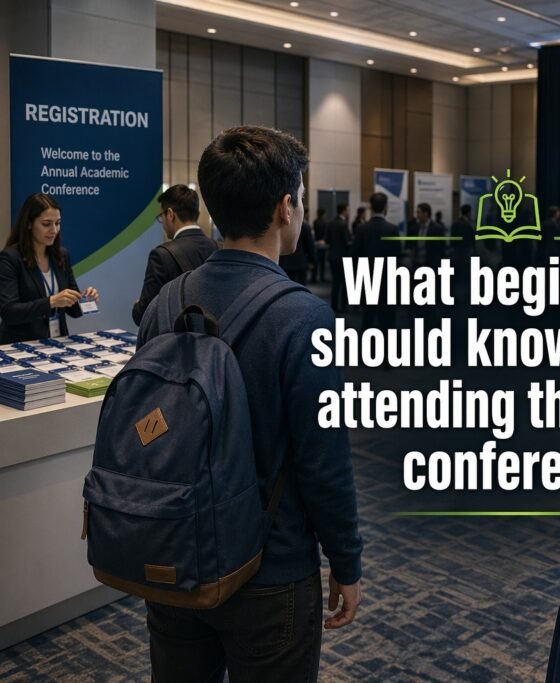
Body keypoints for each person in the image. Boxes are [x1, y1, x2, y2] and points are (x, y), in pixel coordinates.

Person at [137, 126, 362, 681]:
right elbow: (323, 461)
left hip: (174, 554)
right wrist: (346, 560)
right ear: (286, 207)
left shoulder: (165, 303)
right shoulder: (304, 318)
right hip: (270, 571)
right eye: (302, 197)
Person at [0, 193, 100, 344]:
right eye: (46, 224)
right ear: (29, 224)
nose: (54, 230)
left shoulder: (61, 255)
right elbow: (9, 312)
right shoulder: (10, 258)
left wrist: (84, 298)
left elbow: (73, 311)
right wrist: (51, 302)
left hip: (57, 343)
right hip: (21, 346)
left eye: (57, 223)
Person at [131, 184, 217, 325]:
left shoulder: (161, 255)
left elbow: (144, 315)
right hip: (214, 340)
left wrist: (137, 306)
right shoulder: (217, 247)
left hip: (177, 342)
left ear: (170, 214)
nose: (163, 223)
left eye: (162, 216)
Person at [353, 192, 401, 330]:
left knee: (368, 316)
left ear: (371, 208)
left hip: (367, 278)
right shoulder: (392, 229)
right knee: (387, 318)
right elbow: (396, 258)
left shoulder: (361, 228)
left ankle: (367, 347)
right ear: (386, 207)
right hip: (387, 280)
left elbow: (354, 256)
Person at [326, 203, 351, 313]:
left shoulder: (330, 223)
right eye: (348, 210)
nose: (349, 212)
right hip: (343, 257)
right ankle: (343, 307)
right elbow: (347, 241)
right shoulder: (344, 224)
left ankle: (334, 306)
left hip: (332, 256)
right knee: (345, 283)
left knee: (335, 283)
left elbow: (327, 240)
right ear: (344, 210)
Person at [279, 208, 316, 284]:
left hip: (285, 262)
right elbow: (309, 246)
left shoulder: (282, 225)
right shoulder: (305, 226)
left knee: (287, 286)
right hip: (301, 262)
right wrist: (313, 260)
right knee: (301, 287)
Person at [311, 207, 328, 283]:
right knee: (322, 262)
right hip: (322, 243)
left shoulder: (315, 221)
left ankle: (314, 277)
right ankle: (322, 277)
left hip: (316, 243)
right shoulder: (325, 222)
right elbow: (325, 233)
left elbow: (314, 232)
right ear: (323, 214)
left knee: (316, 262)